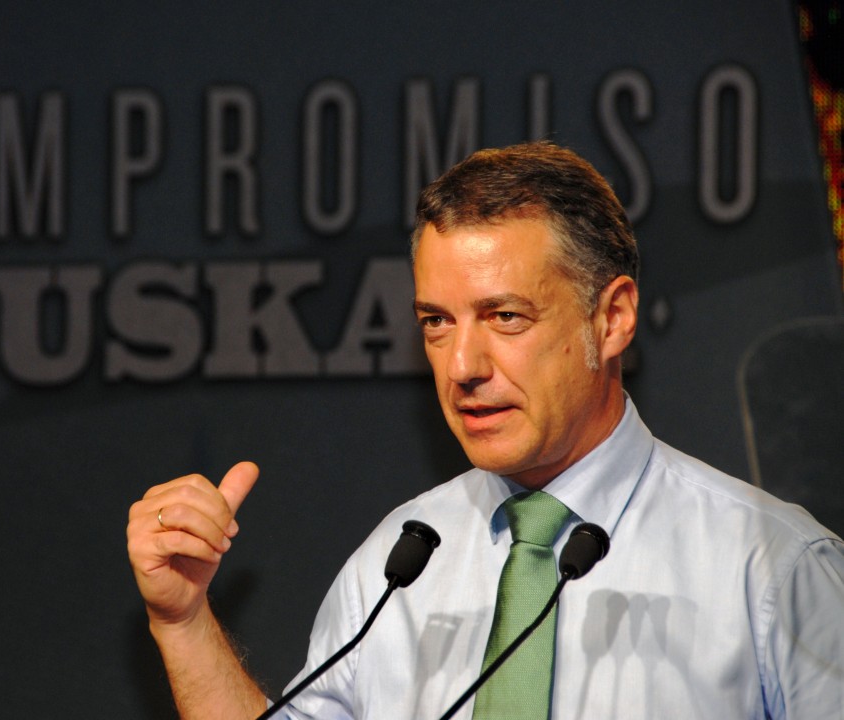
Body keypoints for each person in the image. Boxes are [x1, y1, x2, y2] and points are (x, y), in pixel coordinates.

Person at [126, 142, 844, 719]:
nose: (462, 367)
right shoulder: (398, 564)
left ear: (612, 318)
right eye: (436, 322)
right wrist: (184, 623)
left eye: (505, 317)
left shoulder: (771, 569)